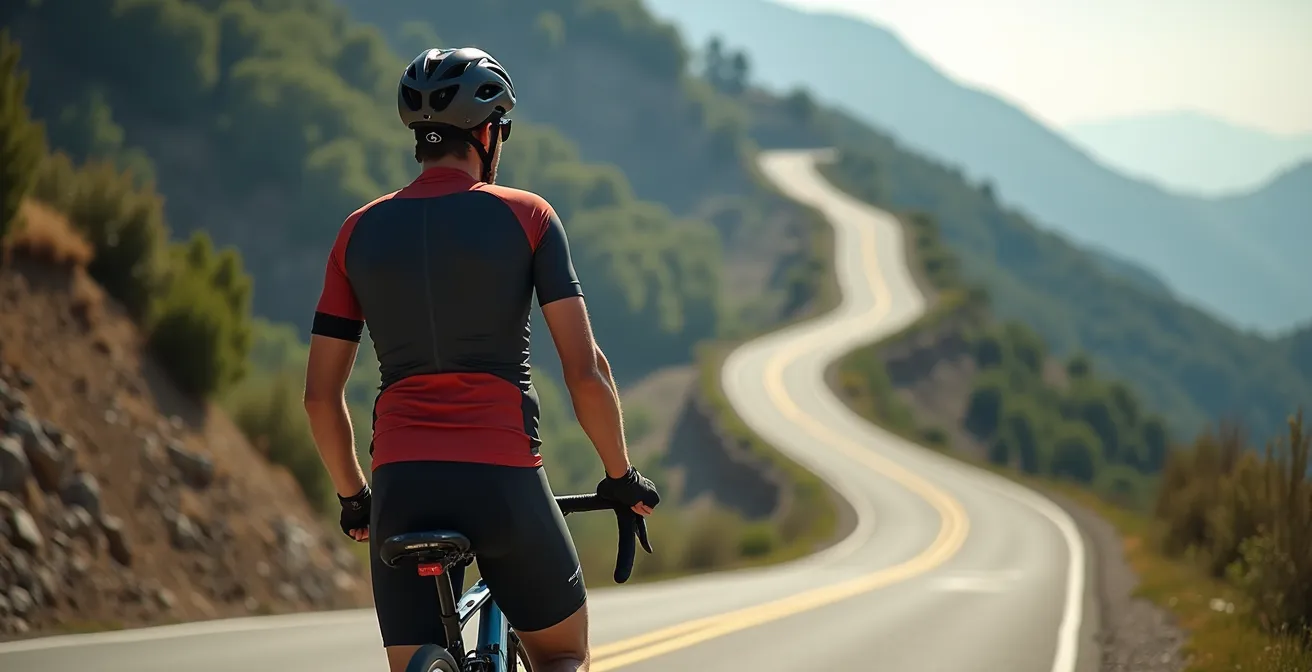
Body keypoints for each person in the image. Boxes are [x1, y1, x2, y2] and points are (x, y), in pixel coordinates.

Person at [301, 47, 661, 672]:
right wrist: (620, 475)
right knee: (562, 652)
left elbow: (318, 397)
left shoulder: (356, 231)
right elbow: (586, 371)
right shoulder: (529, 217)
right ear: (489, 133)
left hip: (400, 486)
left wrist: (355, 497)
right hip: (501, 476)